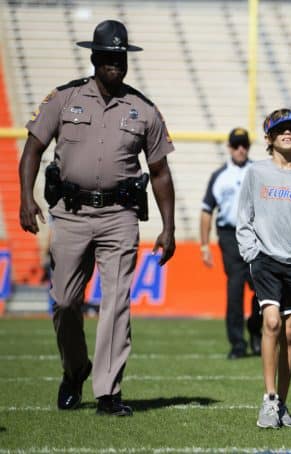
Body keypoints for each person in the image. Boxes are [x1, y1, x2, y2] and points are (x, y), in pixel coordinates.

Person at [18, 20, 176, 417]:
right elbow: (33, 149)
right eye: (108, 57)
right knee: (64, 301)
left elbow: (160, 172)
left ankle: (108, 392)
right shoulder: (63, 98)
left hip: (120, 216)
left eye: (120, 58)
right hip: (70, 214)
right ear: (94, 58)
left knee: (117, 301)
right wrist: (26, 198)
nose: (115, 65)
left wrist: (168, 227)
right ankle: (76, 370)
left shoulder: (144, 109)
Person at [236, 109, 291, 429]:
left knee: (289, 331)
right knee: (271, 323)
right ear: (269, 138)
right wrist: (251, 252)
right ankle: (269, 399)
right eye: (281, 129)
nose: (288, 133)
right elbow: (243, 217)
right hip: (266, 260)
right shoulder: (257, 173)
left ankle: (283, 403)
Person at [200, 127, 262, 359]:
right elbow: (207, 211)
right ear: (229, 147)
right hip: (229, 235)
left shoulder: (257, 172)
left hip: (256, 234)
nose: (240, 149)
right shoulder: (219, 176)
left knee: (260, 288)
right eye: (236, 145)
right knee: (235, 289)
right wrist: (204, 245)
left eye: (244, 144)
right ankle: (238, 343)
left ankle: (255, 329)